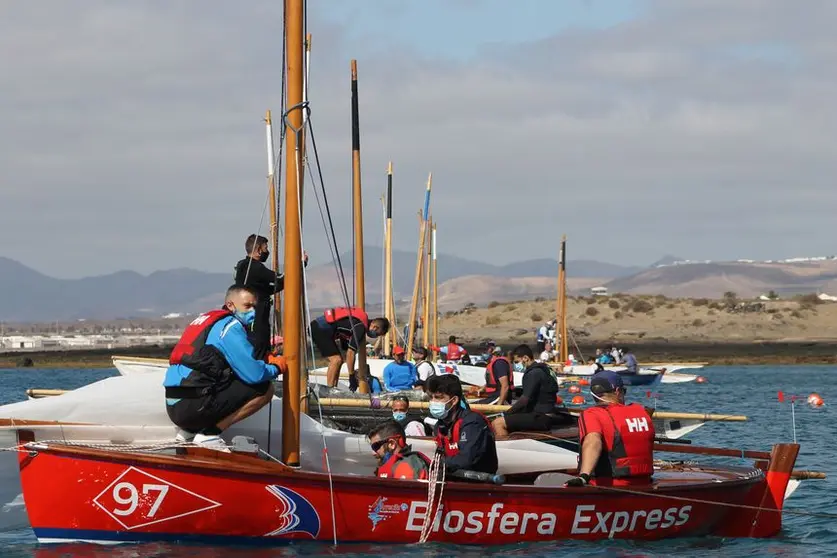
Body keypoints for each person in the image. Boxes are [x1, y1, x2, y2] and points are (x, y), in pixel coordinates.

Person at [164, 285, 286, 450]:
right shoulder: (230, 326)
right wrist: (276, 367)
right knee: (264, 389)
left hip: (173, 407)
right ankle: (209, 434)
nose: (253, 312)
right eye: (247, 306)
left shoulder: (206, 320)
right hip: (193, 406)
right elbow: (254, 375)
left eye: (255, 307)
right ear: (230, 305)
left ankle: (188, 432)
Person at [565, 371, 655, 487]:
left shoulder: (592, 414)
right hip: (645, 482)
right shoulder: (641, 412)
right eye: (624, 391)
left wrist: (584, 476)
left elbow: (593, 441)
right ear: (618, 392)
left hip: (609, 485)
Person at [233, 234, 308, 359]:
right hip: (257, 319)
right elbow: (281, 278)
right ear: (258, 250)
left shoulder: (241, 266)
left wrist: (284, 284)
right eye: (266, 248)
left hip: (243, 319)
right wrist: (301, 265)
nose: (267, 251)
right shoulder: (255, 267)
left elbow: (268, 289)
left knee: (251, 351)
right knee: (260, 351)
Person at [427, 374, 498, 475]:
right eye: (431, 397)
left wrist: (436, 463)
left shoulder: (472, 422)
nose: (433, 402)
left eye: (438, 398)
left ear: (454, 400)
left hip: (477, 482)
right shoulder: (440, 425)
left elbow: (466, 459)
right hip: (452, 477)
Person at [309, 306, 390, 389]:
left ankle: (333, 387)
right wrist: (351, 377)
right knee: (336, 360)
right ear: (375, 327)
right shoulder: (360, 327)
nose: (375, 336)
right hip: (319, 328)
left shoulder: (357, 324)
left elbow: (346, 350)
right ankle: (329, 389)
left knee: (340, 360)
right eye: (377, 334)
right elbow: (350, 353)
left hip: (324, 329)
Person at [492, 344, 560, 438]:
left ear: (525, 358)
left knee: (497, 423)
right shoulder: (544, 369)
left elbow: (525, 400)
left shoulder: (533, 373)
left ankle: (505, 449)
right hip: (546, 414)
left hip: (541, 417)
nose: (515, 365)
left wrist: (507, 413)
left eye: (516, 362)